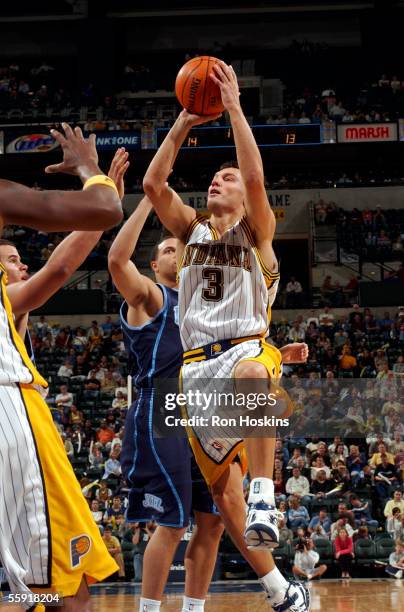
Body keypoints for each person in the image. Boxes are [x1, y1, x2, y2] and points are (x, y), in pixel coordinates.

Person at [143, 60, 310, 612]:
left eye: (227, 177)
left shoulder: (257, 233)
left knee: (252, 372)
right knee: (219, 498)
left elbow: (257, 178)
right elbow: (153, 184)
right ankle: (280, 589)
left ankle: (266, 496)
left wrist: (235, 109)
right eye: (214, 177)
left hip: (244, 349)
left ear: (245, 198)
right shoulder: (190, 232)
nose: (219, 179)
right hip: (195, 369)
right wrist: (185, 123)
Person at [0, 124, 123, 611]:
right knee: (66, 582)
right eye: (9, 257)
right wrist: (90, 173)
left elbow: (54, 268)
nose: (18, 263)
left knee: (34, 582)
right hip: (9, 410)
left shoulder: (12, 300)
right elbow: (93, 222)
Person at [108, 191, 224, 612]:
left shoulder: (206, 309)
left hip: (205, 415)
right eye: (169, 249)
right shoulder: (151, 298)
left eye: (182, 248)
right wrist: (146, 202)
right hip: (161, 409)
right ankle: (149, 609)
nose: (178, 252)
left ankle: (195, 608)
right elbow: (118, 262)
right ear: (155, 265)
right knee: (173, 521)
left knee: (212, 521)